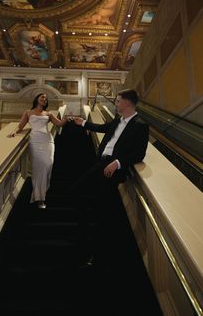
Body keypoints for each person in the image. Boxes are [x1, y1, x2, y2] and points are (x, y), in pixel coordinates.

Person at [72, 89, 149, 266]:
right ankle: (88, 235)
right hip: (101, 164)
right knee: (78, 193)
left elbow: (139, 154)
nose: (115, 104)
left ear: (127, 103)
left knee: (102, 209)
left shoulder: (140, 125)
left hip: (112, 170)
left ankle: (97, 252)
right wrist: (83, 122)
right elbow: (102, 128)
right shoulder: (117, 121)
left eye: (118, 101)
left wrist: (118, 163)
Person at [8, 93, 69, 209]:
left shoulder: (49, 113)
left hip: (48, 141)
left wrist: (67, 118)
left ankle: (42, 194)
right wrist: (14, 132)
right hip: (35, 142)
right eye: (42, 97)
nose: (44, 99)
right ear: (36, 99)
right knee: (37, 169)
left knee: (47, 166)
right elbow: (20, 125)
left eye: (46, 99)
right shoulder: (28, 112)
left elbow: (59, 123)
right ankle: (39, 198)